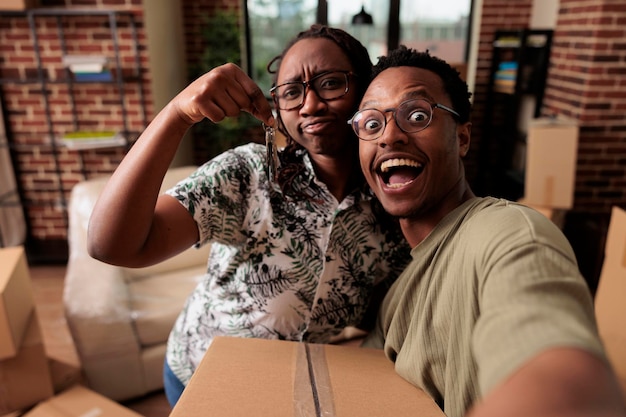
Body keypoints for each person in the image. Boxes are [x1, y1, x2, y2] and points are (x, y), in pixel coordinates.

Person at [87, 25, 410, 407]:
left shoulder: (389, 202)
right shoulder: (250, 174)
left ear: (364, 91)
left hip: (284, 391)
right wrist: (176, 115)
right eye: (291, 92)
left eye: (330, 82)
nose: (309, 105)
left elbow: (378, 313)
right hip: (200, 373)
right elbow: (112, 244)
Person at [349, 46, 626, 417]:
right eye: (371, 123)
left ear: (462, 138)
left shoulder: (507, 233)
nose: (389, 136)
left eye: (417, 115)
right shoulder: (402, 287)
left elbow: (557, 377)